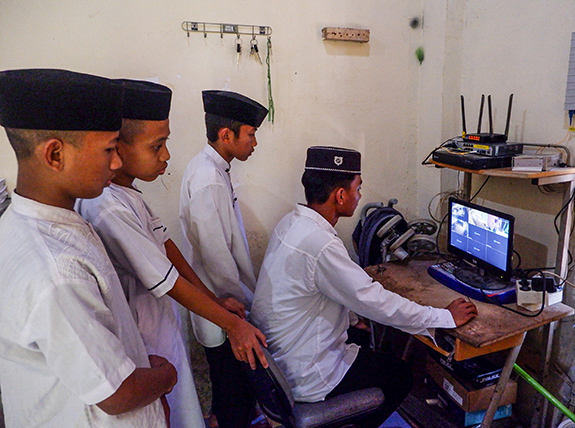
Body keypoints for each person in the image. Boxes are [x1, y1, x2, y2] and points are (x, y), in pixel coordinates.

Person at [76, 80, 268, 428]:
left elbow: (167, 246)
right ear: (117, 149)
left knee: (190, 405)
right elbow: (175, 275)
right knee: (194, 403)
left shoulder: (129, 193)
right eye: (157, 146)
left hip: (174, 319)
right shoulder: (107, 206)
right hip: (145, 336)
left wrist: (215, 300)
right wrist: (233, 318)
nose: (166, 156)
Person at [251, 146, 478, 428]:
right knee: (399, 374)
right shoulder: (320, 244)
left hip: (280, 363)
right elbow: (376, 301)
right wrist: (443, 317)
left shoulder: (292, 223)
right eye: (357, 188)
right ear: (341, 195)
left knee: (360, 337)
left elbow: (312, 291)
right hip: (308, 375)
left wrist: (350, 316)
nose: (359, 196)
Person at [0, 68, 176, 427]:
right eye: (110, 149)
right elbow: (118, 394)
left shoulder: (39, 221)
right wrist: (164, 377)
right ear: (54, 155)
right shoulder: (55, 272)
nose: (116, 162)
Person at [179, 90, 268, 428]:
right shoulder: (207, 179)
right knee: (233, 393)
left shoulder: (212, 169)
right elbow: (216, 256)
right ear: (226, 134)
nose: (255, 143)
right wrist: (244, 308)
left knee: (228, 389)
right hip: (222, 307)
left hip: (221, 304)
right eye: (251, 134)